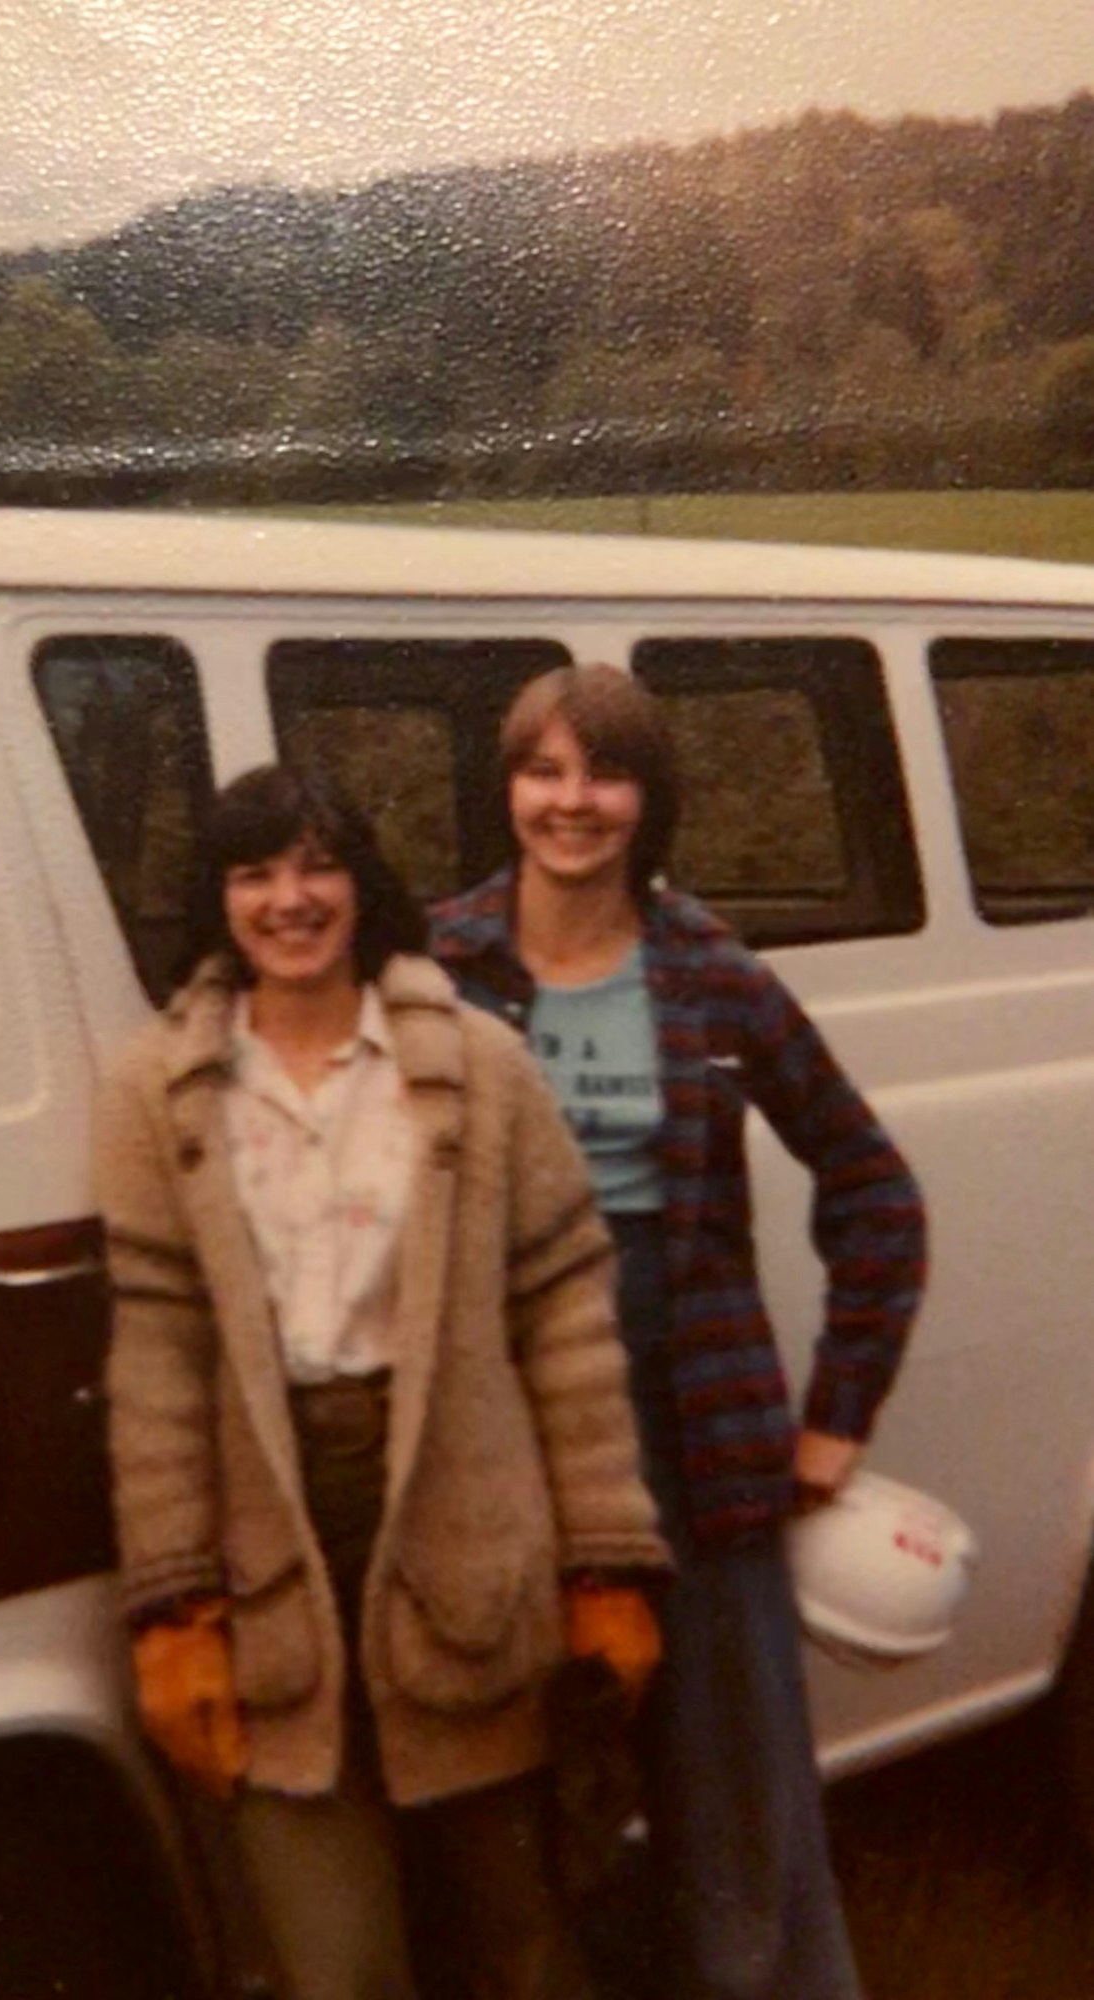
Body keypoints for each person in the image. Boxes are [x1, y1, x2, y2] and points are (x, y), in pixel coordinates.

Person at [95, 764, 670, 2000]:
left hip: (460, 1533)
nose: (289, 899)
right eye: (253, 872)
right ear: (216, 898)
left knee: (521, 1943)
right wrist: (172, 1604)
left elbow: (566, 1317)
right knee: (334, 1965)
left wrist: (604, 1564)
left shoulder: (474, 1062)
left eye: (317, 866)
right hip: (271, 1550)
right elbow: (156, 1356)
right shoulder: (159, 1087)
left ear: (362, 884)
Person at [429, 666, 927, 2000]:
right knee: (526, 1782)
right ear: (504, 787)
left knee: (736, 1792)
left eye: (604, 774)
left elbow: (872, 1189)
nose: (570, 803)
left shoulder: (712, 974)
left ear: (649, 799)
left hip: (695, 1417)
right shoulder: (436, 966)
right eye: (542, 770)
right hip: (503, 1414)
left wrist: (833, 1415)